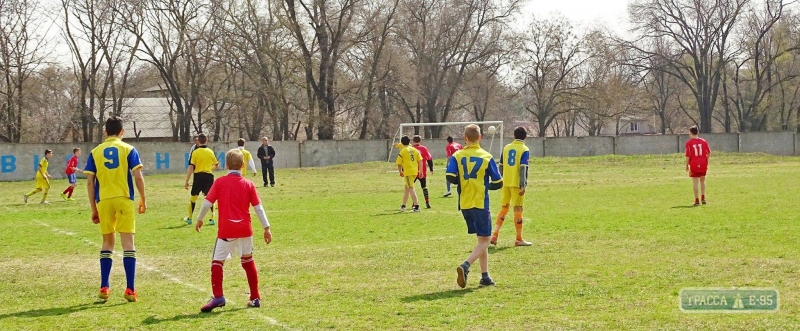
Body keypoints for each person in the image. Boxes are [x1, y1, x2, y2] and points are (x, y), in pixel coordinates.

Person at [195, 149, 272, 313]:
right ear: (243, 165)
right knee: (248, 261)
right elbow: (259, 208)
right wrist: (266, 228)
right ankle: (255, 297)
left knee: (217, 262)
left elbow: (207, 203)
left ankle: (218, 296)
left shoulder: (220, 182)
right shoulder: (249, 184)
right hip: (245, 230)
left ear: (226, 165)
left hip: (227, 230)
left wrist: (200, 219)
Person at [83, 116, 147, 302]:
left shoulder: (95, 152)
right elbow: (137, 176)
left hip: (104, 200)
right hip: (124, 199)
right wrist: (143, 198)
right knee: (128, 244)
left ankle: (104, 287)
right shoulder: (129, 149)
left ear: (105, 132)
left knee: (107, 243)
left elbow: (89, 182)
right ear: (122, 132)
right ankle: (130, 289)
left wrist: (94, 208)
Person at [446, 124, 502, 288]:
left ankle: (485, 276)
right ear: (480, 138)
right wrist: (485, 186)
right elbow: (498, 182)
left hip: (464, 203)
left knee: (481, 239)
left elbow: (450, 176)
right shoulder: (486, 156)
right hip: (480, 202)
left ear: (465, 138)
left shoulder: (457, 155)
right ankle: (465, 266)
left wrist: (462, 182)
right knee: (486, 240)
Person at [491, 127, 532, 247]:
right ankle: (519, 239)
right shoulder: (524, 149)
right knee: (518, 209)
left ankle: (495, 235)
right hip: (516, 183)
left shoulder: (506, 148)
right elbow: (523, 167)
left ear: (514, 136)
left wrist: (501, 180)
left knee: (504, 208)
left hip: (506, 182)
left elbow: (501, 166)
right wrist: (523, 185)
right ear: (525, 137)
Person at [185, 133, 218, 225]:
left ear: (198, 142)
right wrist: (208, 168)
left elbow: (191, 167)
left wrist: (187, 181)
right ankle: (212, 219)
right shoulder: (210, 152)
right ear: (207, 141)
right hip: (208, 176)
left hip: (198, 176)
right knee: (210, 197)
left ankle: (190, 218)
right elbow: (216, 165)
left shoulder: (195, 152)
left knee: (193, 198)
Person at [685, 125, 711, 206]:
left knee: (695, 182)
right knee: (702, 181)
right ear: (698, 132)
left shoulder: (689, 143)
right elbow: (709, 152)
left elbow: (688, 155)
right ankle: (703, 197)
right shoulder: (703, 141)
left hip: (694, 164)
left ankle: (696, 200)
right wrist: (706, 160)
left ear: (690, 133)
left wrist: (686, 165)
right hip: (703, 163)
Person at [396, 135, 422, 212]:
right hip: (414, 171)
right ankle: (403, 205)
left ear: (402, 143)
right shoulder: (414, 150)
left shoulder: (403, 151)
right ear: (409, 142)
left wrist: (400, 171)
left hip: (408, 172)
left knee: (411, 188)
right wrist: (420, 171)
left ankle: (417, 206)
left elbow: (399, 163)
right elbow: (420, 160)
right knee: (407, 188)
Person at [412, 135, 434, 208]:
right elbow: (429, 159)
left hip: (413, 171)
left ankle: (414, 203)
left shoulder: (411, 149)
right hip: (422, 171)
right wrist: (431, 168)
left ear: (413, 141)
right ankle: (427, 202)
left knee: (411, 187)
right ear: (420, 141)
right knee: (424, 187)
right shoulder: (424, 148)